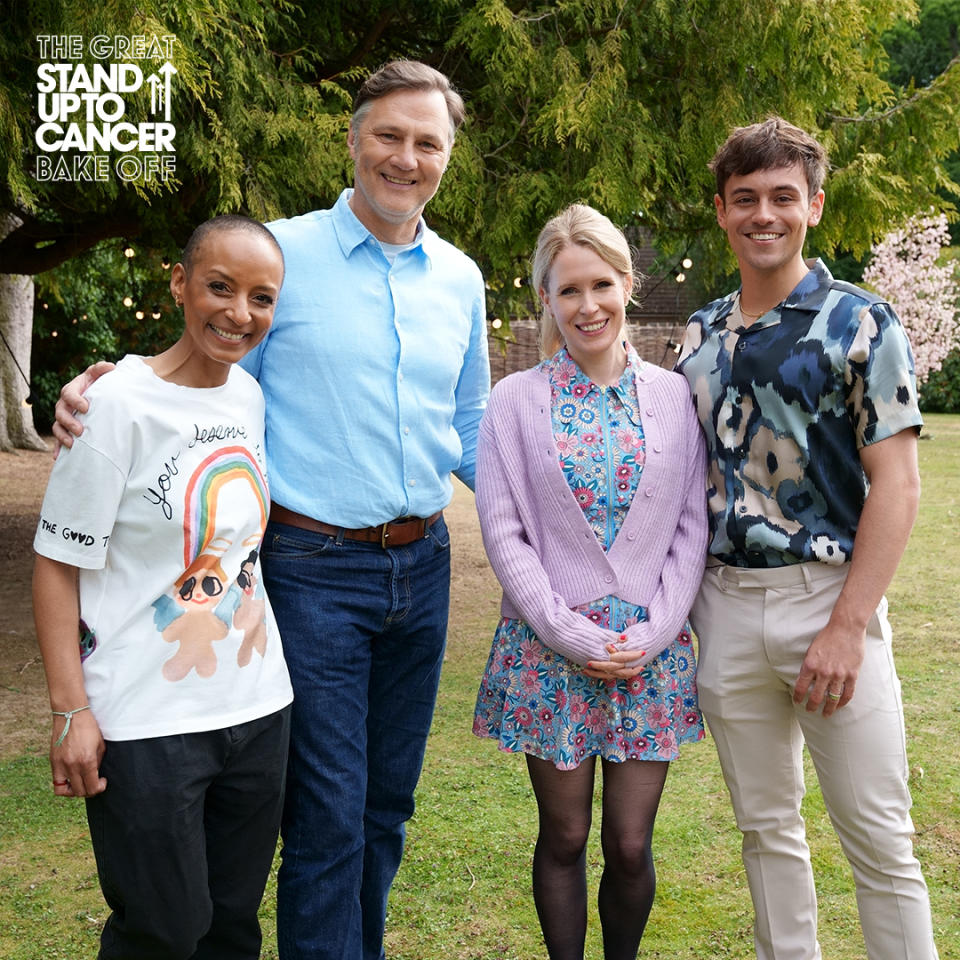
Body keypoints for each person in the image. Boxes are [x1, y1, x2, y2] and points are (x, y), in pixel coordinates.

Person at [53, 60, 490, 960]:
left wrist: (555, 535)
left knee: (385, 808)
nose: (405, 158)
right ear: (353, 139)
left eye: (428, 143)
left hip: (427, 565)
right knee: (328, 813)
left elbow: (473, 427)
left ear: (448, 157)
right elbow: (205, 368)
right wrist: (101, 388)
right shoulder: (280, 258)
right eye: (389, 136)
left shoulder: (462, 279)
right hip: (311, 568)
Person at [676, 117, 939, 960]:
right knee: (767, 833)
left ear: (814, 206)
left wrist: (847, 627)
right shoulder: (700, 335)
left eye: (783, 197)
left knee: (879, 840)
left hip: (828, 603)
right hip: (725, 609)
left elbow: (897, 483)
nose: (764, 215)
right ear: (721, 211)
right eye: (745, 199)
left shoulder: (861, 323)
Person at [33, 214, 293, 960]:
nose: (239, 312)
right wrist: (68, 709)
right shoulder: (113, 406)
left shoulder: (247, 396)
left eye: (261, 297)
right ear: (179, 284)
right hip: (146, 725)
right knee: (163, 932)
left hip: (257, 709)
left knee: (232, 928)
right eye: (219, 286)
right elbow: (55, 564)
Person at [472, 204, 708, 960]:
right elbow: (503, 530)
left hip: (649, 650)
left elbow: (689, 529)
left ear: (628, 284)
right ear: (546, 298)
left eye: (600, 284)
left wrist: (655, 631)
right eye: (567, 290)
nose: (587, 306)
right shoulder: (514, 401)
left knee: (631, 844)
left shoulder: (675, 398)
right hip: (550, 653)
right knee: (566, 834)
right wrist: (570, 631)